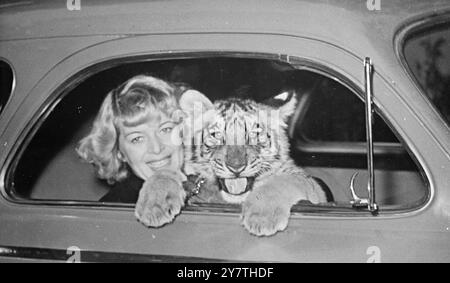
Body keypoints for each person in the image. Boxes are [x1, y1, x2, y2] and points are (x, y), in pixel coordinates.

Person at [76, 75, 194, 227]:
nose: (156, 148)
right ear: (119, 152)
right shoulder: (111, 214)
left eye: (166, 129)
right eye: (137, 139)